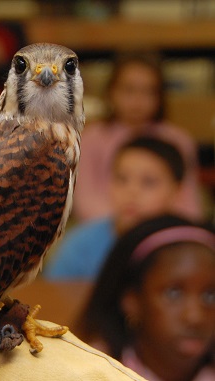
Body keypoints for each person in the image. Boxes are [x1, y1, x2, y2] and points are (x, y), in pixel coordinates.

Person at [74, 214, 215, 381]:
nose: (195, 317)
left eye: (210, 295)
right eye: (174, 293)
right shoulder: (93, 373)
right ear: (131, 301)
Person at [73, 53, 202, 223]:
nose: (138, 100)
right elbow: (85, 201)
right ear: (111, 91)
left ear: (160, 96)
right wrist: (126, 225)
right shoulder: (90, 139)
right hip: (107, 232)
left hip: (161, 231)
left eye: (148, 91)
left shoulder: (178, 140)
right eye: (129, 90)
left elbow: (188, 202)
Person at [44, 137, 185, 280]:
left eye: (148, 182)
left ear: (176, 190)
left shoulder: (188, 245)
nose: (132, 191)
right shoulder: (80, 243)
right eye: (122, 179)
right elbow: (54, 295)